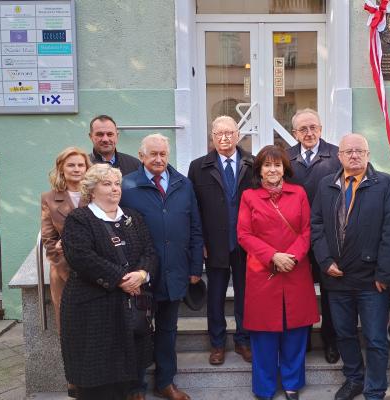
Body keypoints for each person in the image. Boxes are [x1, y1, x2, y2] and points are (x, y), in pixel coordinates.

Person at [311, 133, 390, 400]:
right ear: (339, 156)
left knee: (376, 339)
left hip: (372, 280)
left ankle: (375, 389)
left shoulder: (386, 184)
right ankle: (354, 379)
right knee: (344, 334)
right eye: (348, 151)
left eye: (359, 151)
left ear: (368, 154)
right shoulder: (325, 185)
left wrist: (385, 273)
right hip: (336, 277)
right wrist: (324, 260)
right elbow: (316, 225)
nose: (354, 155)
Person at [60, 163, 158, 400]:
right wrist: (121, 279)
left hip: (128, 309)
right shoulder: (79, 219)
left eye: (117, 184)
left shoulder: (132, 217)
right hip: (92, 309)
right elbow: (81, 257)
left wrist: (142, 274)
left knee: (127, 376)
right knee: (96, 381)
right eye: (107, 184)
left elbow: (149, 251)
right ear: (91, 190)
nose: (115, 189)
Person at [121, 133, 203, 400]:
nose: (158, 159)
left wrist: (194, 267)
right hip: (141, 273)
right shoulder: (127, 186)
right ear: (141, 156)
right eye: (152, 154)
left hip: (175, 270)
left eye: (163, 154)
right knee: (138, 331)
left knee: (168, 329)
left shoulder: (183, 184)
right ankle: (136, 387)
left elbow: (195, 227)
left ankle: (165, 381)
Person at [238, 145, 319, 400]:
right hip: (263, 272)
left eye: (277, 165)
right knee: (263, 334)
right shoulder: (249, 197)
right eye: (267, 165)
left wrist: (291, 257)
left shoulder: (299, 193)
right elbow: (244, 234)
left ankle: (293, 383)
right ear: (259, 170)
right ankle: (264, 387)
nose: (272, 170)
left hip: (295, 270)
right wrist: (272, 256)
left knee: (295, 331)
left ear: (285, 168)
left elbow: (307, 231)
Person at [188, 115, 253, 365]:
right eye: (219, 134)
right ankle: (217, 344)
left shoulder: (252, 163)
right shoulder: (198, 167)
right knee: (215, 298)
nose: (225, 138)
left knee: (244, 296)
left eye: (230, 132)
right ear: (212, 137)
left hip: (245, 244)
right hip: (214, 244)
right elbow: (193, 209)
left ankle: (243, 340)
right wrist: (199, 241)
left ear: (238, 135)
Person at [286, 108, 341, 364]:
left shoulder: (337, 156)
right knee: (300, 292)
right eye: (303, 129)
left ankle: (331, 341)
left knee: (330, 292)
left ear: (321, 128)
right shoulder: (286, 158)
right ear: (294, 133)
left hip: (328, 238)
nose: (309, 133)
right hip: (295, 238)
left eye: (313, 127)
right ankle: (303, 339)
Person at [40, 146, 90, 398]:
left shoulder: (94, 193)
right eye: (71, 165)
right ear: (61, 168)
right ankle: (74, 382)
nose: (77, 169)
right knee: (69, 329)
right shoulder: (50, 198)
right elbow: (49, 241)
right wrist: (64, 266)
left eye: (81, 165)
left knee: (94, 326)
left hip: (94, 272)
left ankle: (94, 378)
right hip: (64, 274)